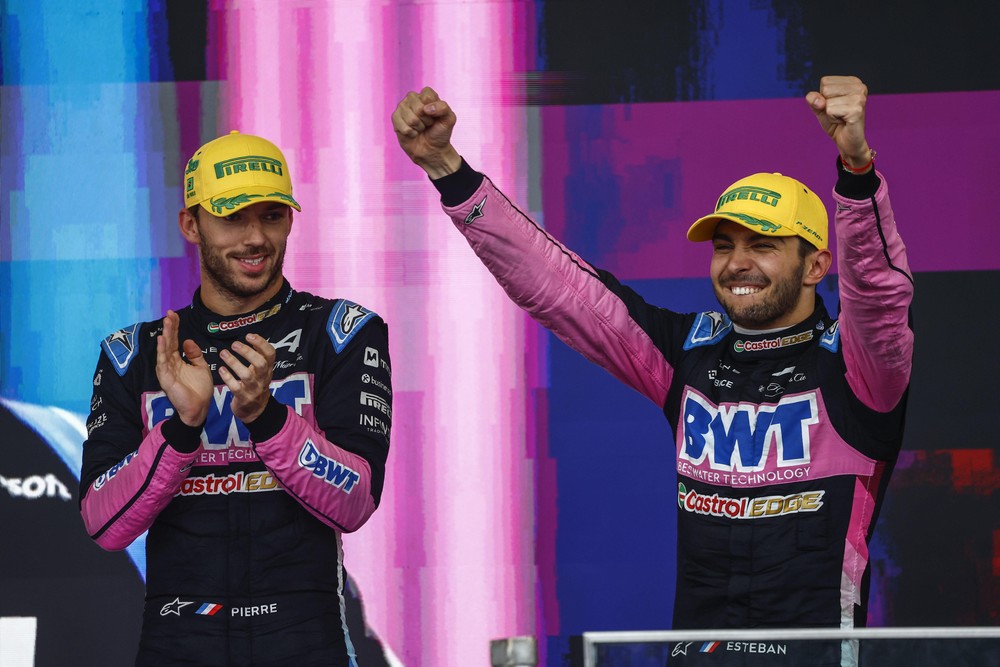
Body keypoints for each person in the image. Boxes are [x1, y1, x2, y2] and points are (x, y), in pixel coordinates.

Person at [394, 77, 912, 663]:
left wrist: (856, 169)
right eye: (723, 244)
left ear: (816, 265)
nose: (737, 263)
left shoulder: (858, 367)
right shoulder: (688, 353)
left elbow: (879, 294)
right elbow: (562, 287)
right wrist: (448, 169)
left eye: (763, 245)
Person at [79, 131, 393, 666]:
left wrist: (267, 419)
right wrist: (182, 428)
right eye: (232, 217)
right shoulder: (135, 353)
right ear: (191, 224)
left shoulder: (341, 331)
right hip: (178, 634)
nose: (255, 238)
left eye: (271, 216)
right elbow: (105, 524)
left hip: (302, 635)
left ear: (291, 219)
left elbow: (356, 500)